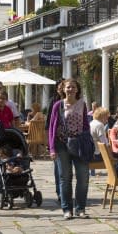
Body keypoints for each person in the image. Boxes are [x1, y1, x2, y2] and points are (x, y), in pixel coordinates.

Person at [48, 78, 91, 220]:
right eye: (68, 87)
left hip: (79, 144)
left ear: (77, 89)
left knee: (83, 177)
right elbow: (52, 128)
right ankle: (67, 209)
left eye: (73, 87)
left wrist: (87, 141)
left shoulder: (82, 105)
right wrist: (52, 148)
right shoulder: (58, 105)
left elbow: (85, 125)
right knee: (65, 178)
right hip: (62, 145)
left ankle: (81, 209)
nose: (70, 89)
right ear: (63, 89)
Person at [45, 79, 65, 203]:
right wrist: (49, 142)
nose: (63, 89)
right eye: (61, 87)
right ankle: (60, 192)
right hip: (57, 139)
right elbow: (49, 123)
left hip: (70, 140)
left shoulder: (75, 101)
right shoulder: (54, 102)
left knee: (66, 169)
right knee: (59, 167)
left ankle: (64, 191)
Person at [89, 106, 110, 174]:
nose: (107, 118)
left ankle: (92, 172)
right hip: (97, 155)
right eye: (107, 116)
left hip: (91, 153)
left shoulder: (91, 123)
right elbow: (104, 143)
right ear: (103, 116)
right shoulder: (100, 125)